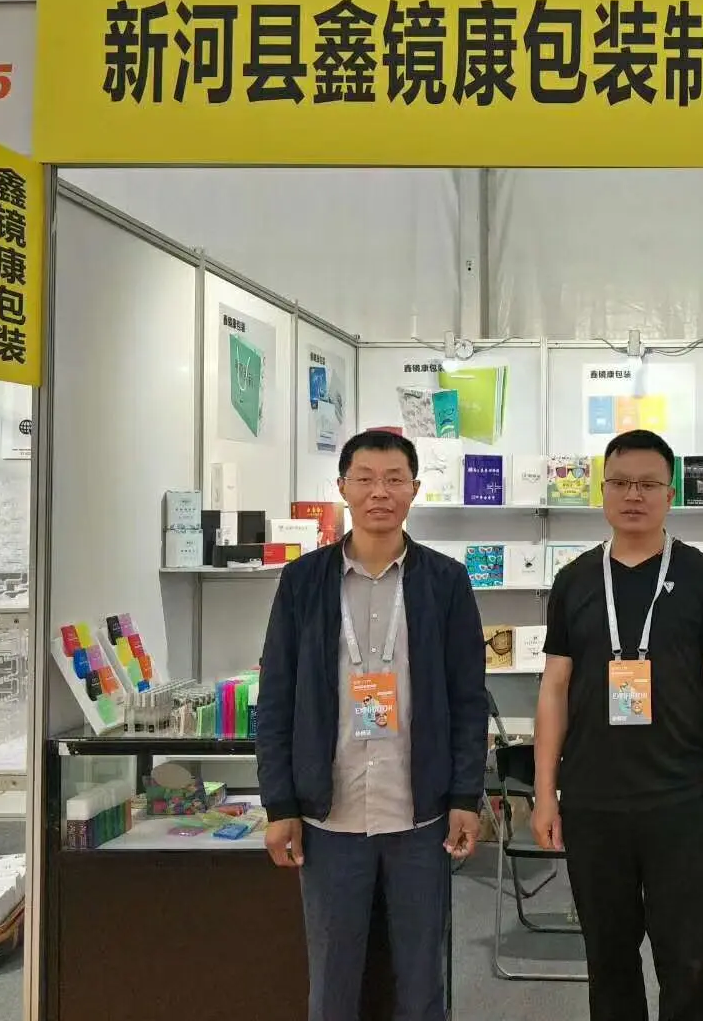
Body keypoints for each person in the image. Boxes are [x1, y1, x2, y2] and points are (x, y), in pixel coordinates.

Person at [256, 428, 487, 1021]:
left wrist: (465, 796)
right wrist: (280, 804)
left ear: (414, 489)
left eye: (393, 480)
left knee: (422, 980)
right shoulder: (303, 582)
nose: (379, 492)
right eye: (364, 479)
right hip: (328, 817)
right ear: (342, 488)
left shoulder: (445, 581)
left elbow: (467, 699)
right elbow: (277, 698)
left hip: (420, 814)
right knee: (333, 982)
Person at [533, 428, 703, 1021]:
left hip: (681, 803)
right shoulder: (575, 580)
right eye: (621, 483)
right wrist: (546, 793)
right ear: (602, 491)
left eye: (648, 484)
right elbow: (553, 689)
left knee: (690, 964)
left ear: (670, 494)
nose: (634, 495)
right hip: (593, 803)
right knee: (609, 964)